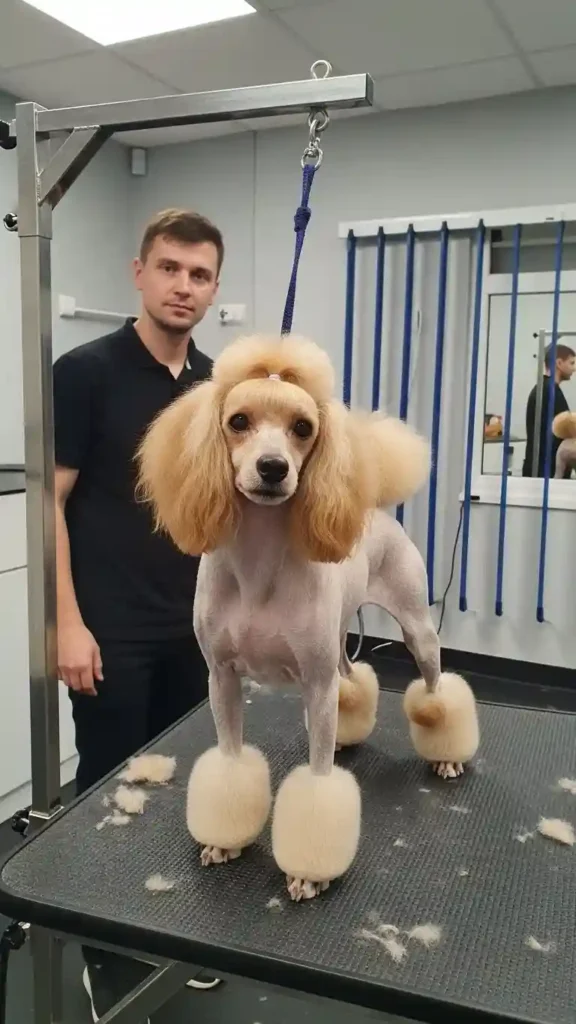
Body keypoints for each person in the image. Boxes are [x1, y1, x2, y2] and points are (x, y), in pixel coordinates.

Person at [53, 209, 223, 1019]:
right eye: (170, 268)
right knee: (108, 794)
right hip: (109, 626)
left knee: (184, 782)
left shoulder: (216, 386)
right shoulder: (86, 371)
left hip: (193, 626)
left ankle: (166, 929)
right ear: (140, 273)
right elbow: (49, 504)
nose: (183, 286)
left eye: (199, 274)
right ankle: (106, 951)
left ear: (214, 289)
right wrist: (66, 624)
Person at [522, 341, 575, 478]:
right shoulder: (550, 391)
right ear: (559, 363)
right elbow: (564, 431)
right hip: (545, 473)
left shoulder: (545, 388)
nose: (574, 369)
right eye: (572, 363)